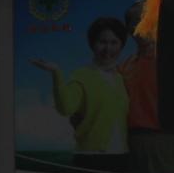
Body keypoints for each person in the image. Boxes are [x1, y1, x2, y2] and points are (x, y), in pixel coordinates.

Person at [51, 15, 134, 159]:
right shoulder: (81, 75)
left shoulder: (122, 78)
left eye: (114, 42)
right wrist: (56, 73)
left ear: (121, 45)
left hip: (122, 155)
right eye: (102, 42)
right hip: (90, 155)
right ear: (92, 44)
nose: (108, 48)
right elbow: (65, 108)